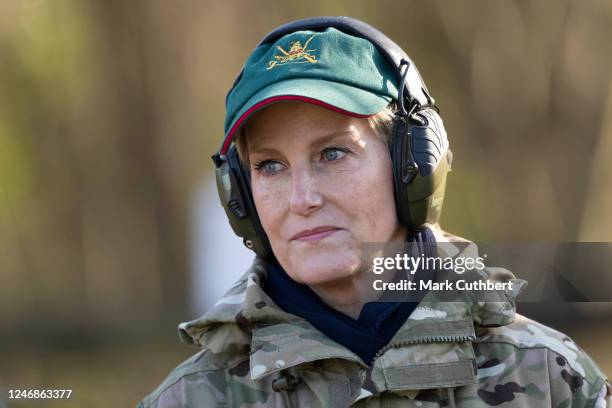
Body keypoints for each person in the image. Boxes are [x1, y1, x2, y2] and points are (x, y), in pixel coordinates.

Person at [138, 17, 610, 407]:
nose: (302, 199)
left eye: (332, 154)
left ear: (414, 165)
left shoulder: (549, 379)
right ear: (239, 196)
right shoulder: (191, 399)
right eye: (270, 166)